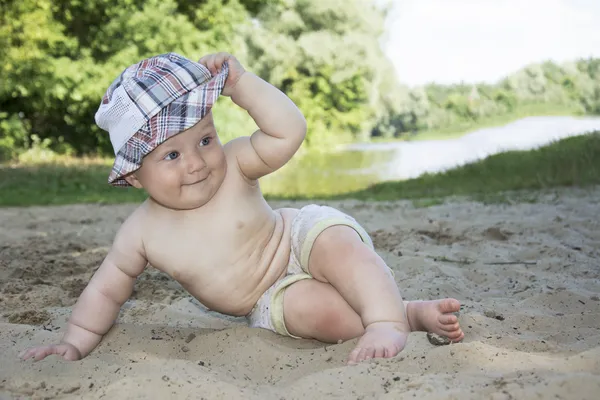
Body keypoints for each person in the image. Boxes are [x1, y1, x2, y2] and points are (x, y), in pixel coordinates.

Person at [19, 52, 464, 365]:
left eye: (205, 140)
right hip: (269, 299)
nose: (196, 162)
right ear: (135, 175)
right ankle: (407, 312)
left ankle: (385, 319)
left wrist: (242, 85)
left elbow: (287, 132)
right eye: (171, 155)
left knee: (341, 249)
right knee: (320, 316)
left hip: (296, 237)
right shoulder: (140, 233)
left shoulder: (233, 164)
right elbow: (105, 291)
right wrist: (75, 342)